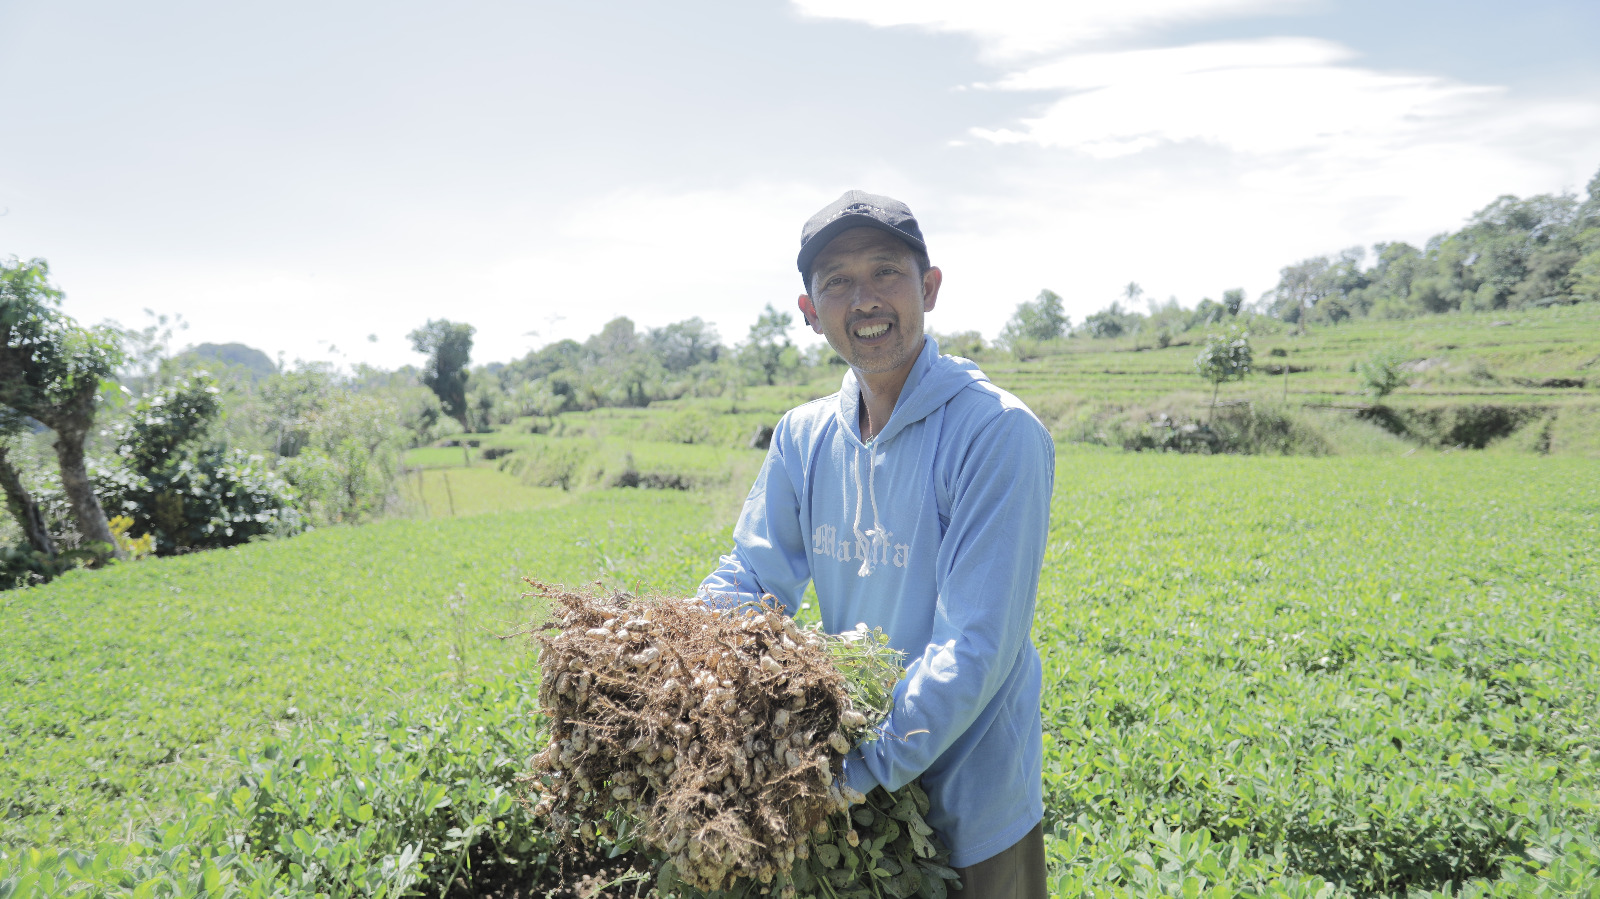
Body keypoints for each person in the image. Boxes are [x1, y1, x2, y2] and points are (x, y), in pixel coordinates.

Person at [697, 190, 1052, 895]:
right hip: (854, 784)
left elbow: (974, 645)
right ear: (809, 312)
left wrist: (849, 773)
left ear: (929, 287)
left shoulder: (995, 433)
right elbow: (753, 572)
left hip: (969, 797)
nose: (864, 299)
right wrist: (678, 655)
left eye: (886, 272)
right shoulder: (803, 435)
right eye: (837, 282)